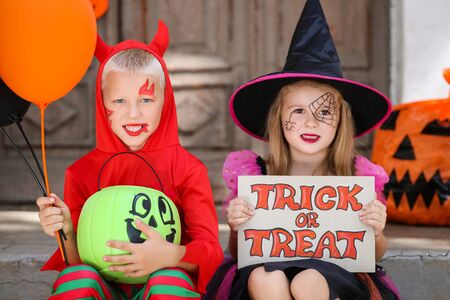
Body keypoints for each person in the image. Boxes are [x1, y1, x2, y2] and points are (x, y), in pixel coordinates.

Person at [204, 1, 399, 299]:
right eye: (297, 111)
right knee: (263, 277)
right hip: (266, 270)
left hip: (334, 274)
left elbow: (374, 254)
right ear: (279, 119)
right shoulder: (257, 173)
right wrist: (236, 226)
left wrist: (377, 229)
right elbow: (240, 251)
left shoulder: (358, 176)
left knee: (309, 279)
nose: (310, 122)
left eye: (324, 113)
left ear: (341, 123)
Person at [36, 21, 223, 299]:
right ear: (101, 103)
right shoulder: (82, 173)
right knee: (77, 279)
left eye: (146, 100)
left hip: (160, 286)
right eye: (119, 101)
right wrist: (68, 232)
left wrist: (171, 255)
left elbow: (211, 251)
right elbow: (77, 262)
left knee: (169, 281)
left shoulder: (187, 169)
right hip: (104, 288)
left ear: (166, 100)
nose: (133, 114)